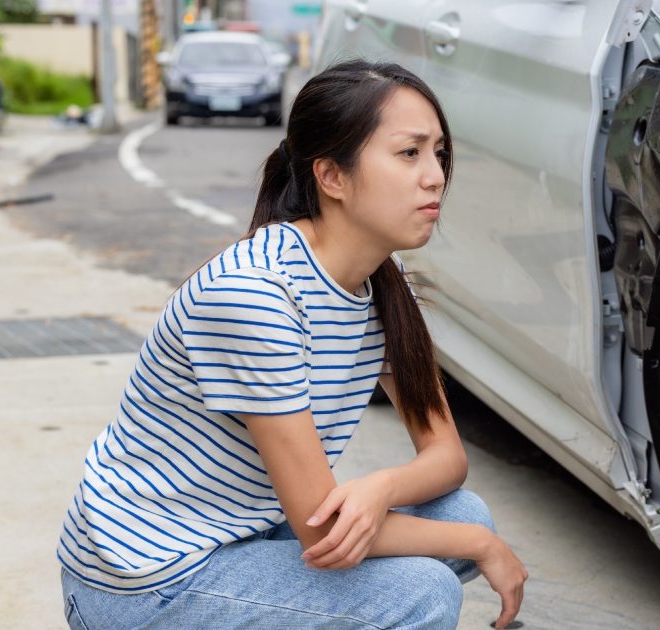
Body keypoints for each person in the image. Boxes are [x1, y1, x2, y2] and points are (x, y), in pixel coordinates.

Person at [56, 60, 528, 629]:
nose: (435, 177)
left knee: (461, 515)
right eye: (410, 153)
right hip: (143, 582)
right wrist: (480, 546)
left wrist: (382, 487)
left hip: (242, 531)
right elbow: (318, 524)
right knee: (422, 588)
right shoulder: (257, 296)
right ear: (331, 176)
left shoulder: (382, 277)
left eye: (440, 154)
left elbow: (447, 457)